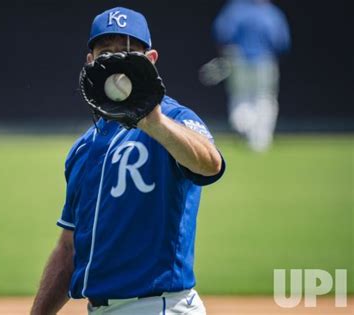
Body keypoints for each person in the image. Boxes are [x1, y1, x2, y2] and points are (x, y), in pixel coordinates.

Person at [31, 7, 225, 315]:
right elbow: (69, 248)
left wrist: (155, 124)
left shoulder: (173, 118)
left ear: (151, 61)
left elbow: (210, 163)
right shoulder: (83, 149)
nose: (117, 61)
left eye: (128, 52)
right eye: (106, 51)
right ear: (90, 62)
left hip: (158, 307)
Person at [212, 0, 290, 152]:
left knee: (241, 97)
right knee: (264, 98)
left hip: (238, 59)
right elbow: (282, 42)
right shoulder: (272, 13)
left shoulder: (235, 9)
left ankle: (244, 126)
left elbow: (222, 33)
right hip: (264, 60)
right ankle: (259, 139)